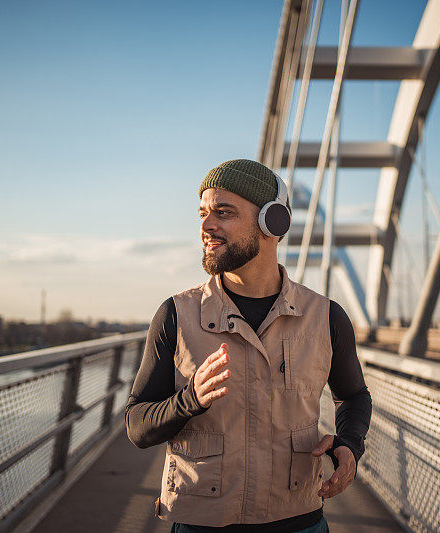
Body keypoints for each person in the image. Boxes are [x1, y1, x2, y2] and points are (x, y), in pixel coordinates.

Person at [126, 159, 372, 532]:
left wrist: (350, 445)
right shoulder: (175, 314)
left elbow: (353, 396)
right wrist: (189, 401)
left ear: (274, 222)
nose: (207, 226)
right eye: (203, 214)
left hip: (298, 521)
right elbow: (137, 425)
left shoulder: (326, 316)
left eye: (223, 213)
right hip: (201, 525)